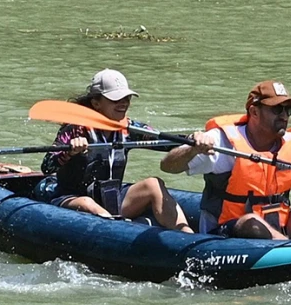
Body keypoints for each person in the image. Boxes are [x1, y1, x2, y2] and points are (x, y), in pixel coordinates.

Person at [160, 80, 291, 240]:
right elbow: (168, 166)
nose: (284, 115)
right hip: (225, 233)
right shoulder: (223, 142)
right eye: (277, 109)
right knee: (252, 221)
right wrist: (192, 150)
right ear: (255, 112)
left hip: (275, 229)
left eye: (288, 110)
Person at [41, 69, 192, 232]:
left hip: (111, 196)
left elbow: (165, 142)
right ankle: (118, 232)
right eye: (116, 99)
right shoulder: (75, 129)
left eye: (126, 98)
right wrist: (69, 152)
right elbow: (47, 166)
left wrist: (191, 139)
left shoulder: (129, 129)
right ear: (96, 102)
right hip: (71, 198)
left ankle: (188, 236)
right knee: (87, 203)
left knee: (153, 184)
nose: (123, 103)